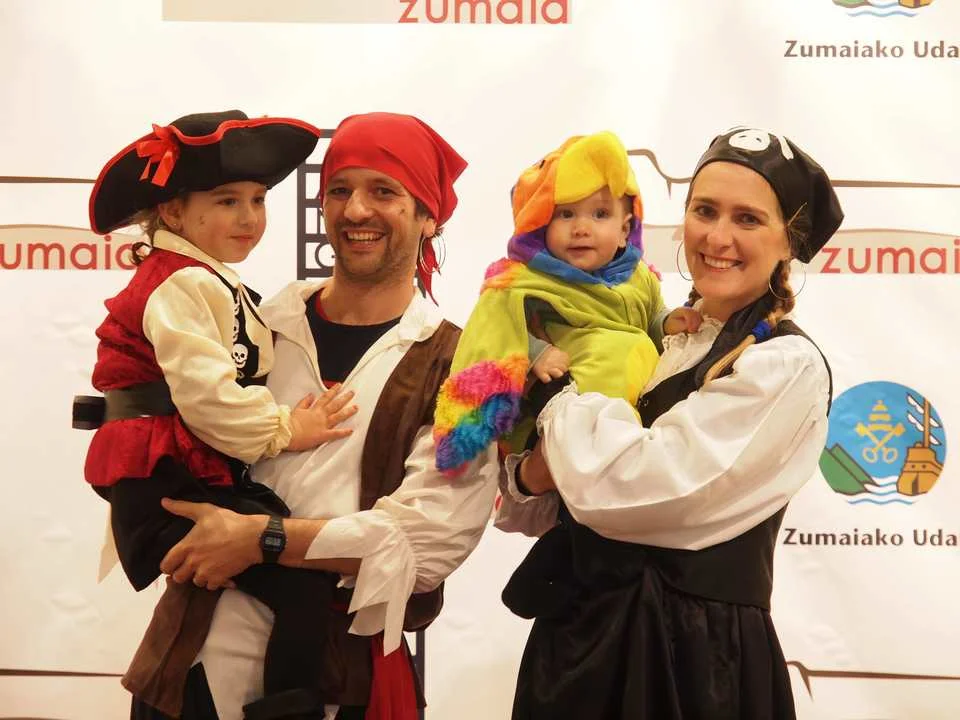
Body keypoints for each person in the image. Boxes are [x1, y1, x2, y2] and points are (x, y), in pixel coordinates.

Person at [120, 112, 500, 720]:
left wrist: (264, 540)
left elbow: (427, 542)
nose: (356, 210)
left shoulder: (462, 366)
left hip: (336, 686)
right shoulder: (253, 323)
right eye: (340, 190)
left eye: (384, 191)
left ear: (428, 216)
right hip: (186, 669)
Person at [495, 126, 844, 720]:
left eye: (748, 219)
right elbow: (533, 507)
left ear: (790, 239)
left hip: (694, 663)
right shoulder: (652, 338)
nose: (718, 237)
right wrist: (532, 474)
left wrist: (558, 402)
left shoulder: (785, 365)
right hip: (575, 647)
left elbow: (632, 488)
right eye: (704, 211)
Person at [77, 109, 360, 717]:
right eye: (228, 201)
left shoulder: (205, 279)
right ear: (174, 212)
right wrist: (288, 428)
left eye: (258, 200)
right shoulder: (185, 283)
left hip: (175, 475)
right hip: (165, 481)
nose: (249, 218)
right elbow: (207, 398)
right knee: (303, 584)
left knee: (295, 574)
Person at [433, 131, 698, 477]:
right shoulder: (527, 281)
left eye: (600, 214)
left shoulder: (639, 276)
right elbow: (495, 331)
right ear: (543, 222)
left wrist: (668, 322)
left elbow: (650, 318)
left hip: (636, 415)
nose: (581, 228)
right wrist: (536, 353)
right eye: (566, 214)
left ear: (624, 230)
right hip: (565, 418)